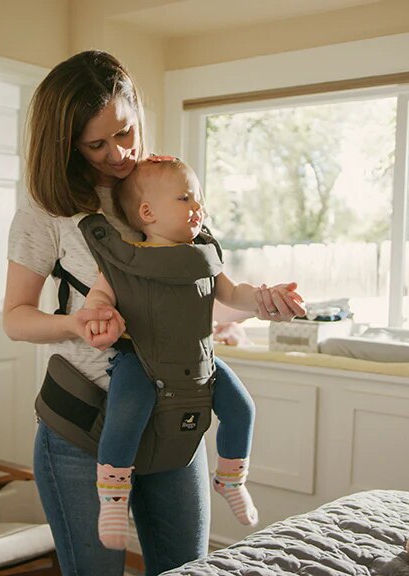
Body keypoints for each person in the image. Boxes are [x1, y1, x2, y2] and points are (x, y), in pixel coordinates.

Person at [3, 50, 303, 576]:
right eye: (96, 144)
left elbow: (203, 287)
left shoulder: (164, 185)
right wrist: (75, 322)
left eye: (125, 132)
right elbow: (15, 316)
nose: (118, 153)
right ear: (66, 142)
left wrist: (263, 302)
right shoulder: (46, 205)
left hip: (173, 424)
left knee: (189, 569)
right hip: (83, 428)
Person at [81, 157, 305, 549]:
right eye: (185, 197)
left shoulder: (204, 258)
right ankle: (113, 498)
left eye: (199, 198)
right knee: (126, 412)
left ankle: (231, 480)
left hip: (200, 360)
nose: (197, 207)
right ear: (147, 212)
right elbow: (100, 294)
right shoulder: (125, 260)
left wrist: (265, 297)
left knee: (242, 409)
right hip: (143, 359)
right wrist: (99, 312)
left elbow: (235, 295)